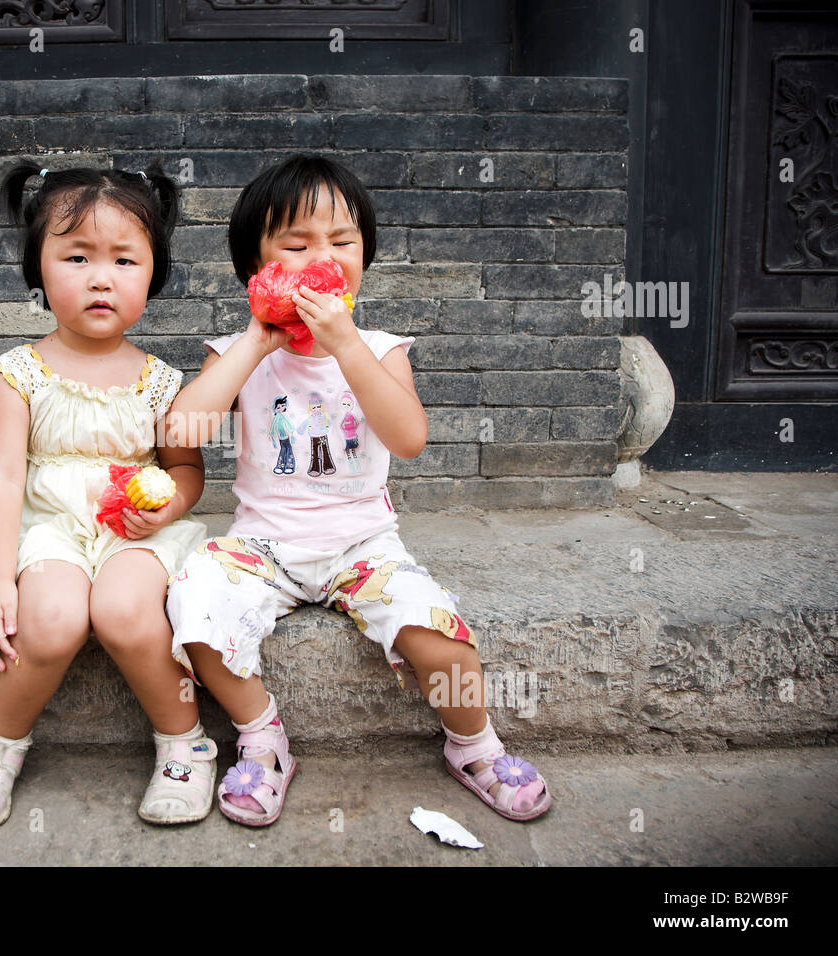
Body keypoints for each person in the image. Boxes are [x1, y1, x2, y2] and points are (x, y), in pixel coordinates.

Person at [163, 154, 552, 826]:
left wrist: (347, 348)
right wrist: (255, 344)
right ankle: (262, 738)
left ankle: (476, 745)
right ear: (256, 266)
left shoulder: (379, 346)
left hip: (363, 544)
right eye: (297, 244)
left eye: (343, 242)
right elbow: (184, 427)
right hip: (261, 544)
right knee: (191, 607)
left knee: (443, 638)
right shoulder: (233, 350)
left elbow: (408, 438)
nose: (326, 256)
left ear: (365, 253)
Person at [0, 161, 214, 828]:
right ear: (37, 270)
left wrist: (169, 507)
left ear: (153, 274)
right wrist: (2, 578)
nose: (102, 277)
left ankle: (185, 744)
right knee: (52, 619)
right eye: (76, 256)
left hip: (135, 531)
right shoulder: (18, 373)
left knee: (126, 611)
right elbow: (3, 478)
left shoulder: (161, 381)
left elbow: (187, 472)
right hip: (51, 530)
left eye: (126, 259)